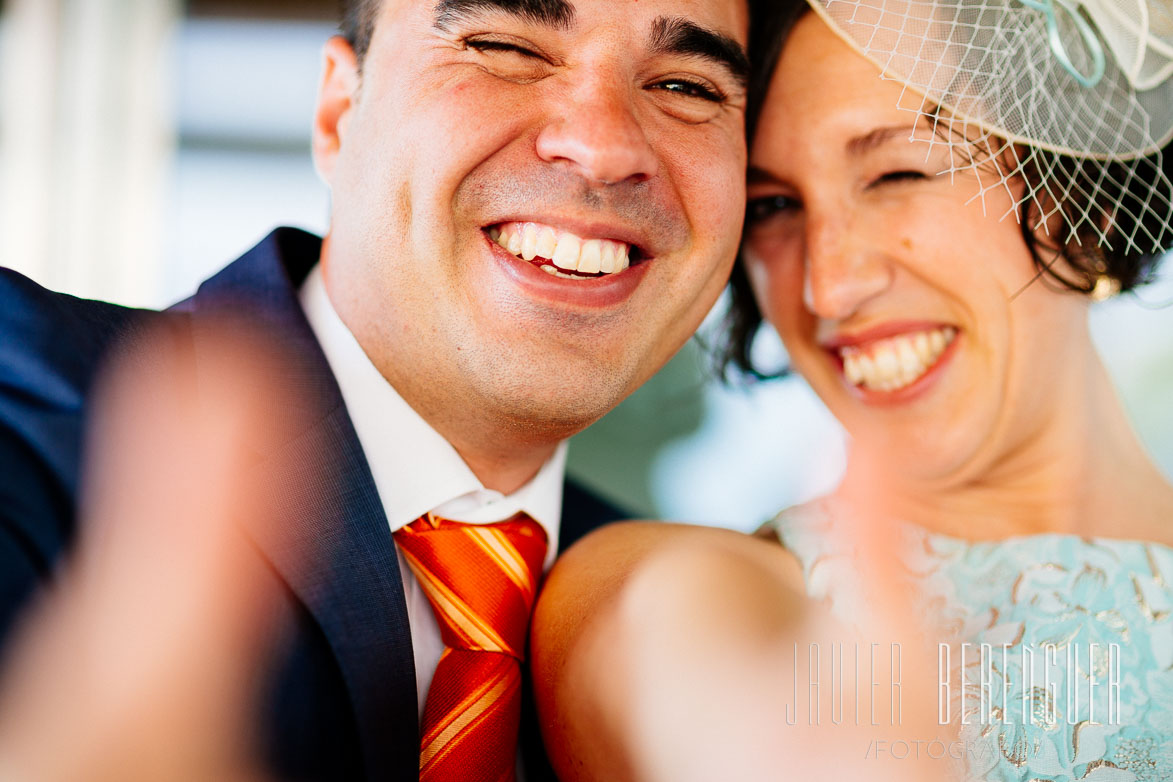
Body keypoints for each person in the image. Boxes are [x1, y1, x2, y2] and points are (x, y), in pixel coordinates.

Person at [0, 0, 753, 779]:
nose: (602, 146)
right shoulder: (22, 384)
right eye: (501, 45)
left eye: (688, 88)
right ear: (337, 112)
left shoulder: (696, 634)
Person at [531, 0, 1173, 779]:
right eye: (772, 207)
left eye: (898, 172)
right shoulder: (670, 587)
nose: (830, 287)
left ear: (1081, 193)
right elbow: (676, 655)